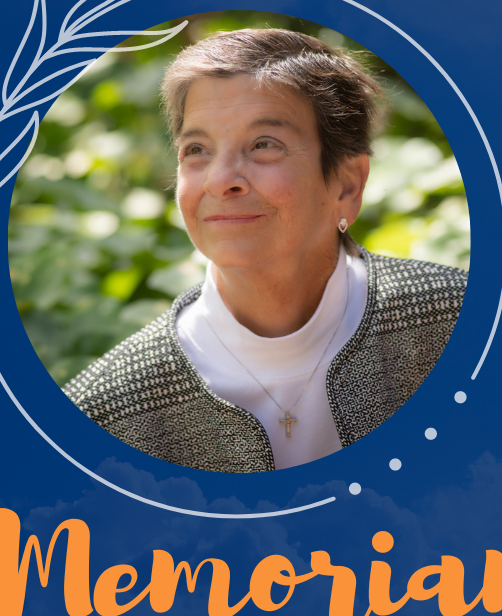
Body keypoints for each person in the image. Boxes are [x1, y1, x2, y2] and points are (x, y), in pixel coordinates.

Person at [64, 28, 467, 473]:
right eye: (196, 150)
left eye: (263, 146)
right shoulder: (104, 411)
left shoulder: (462, 325)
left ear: (347, 184)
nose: (220, 180)